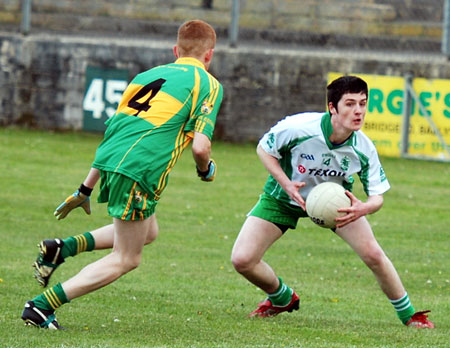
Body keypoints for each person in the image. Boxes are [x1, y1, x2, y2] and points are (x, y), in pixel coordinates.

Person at [21, 19, 223, 330]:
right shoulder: (207, 83)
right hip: (140, 172)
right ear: (209, 55)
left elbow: (115, 132)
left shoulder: (146, 76)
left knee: (148, 231)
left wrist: (85, 189)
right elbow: (200, 147)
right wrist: (205, 170)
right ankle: (41, 306)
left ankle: (63, 247)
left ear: (175, 50)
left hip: (112, 161)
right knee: (127, 257)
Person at [231, 76, 434, 328]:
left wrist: (364, 208)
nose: (358, 111)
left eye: (363, 103)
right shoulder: (299, 127)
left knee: (373, 254)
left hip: (337, 206)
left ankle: (410, 315)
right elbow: (265, 149)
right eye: (349, 104)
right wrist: (286, 183)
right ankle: (282, 297)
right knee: (242, 259)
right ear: (332, 107)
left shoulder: (364, 147)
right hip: (283, 198)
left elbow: (377, 197)